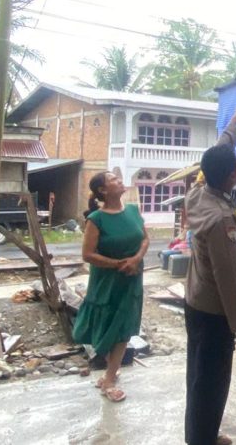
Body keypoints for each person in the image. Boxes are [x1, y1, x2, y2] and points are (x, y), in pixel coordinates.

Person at [184, 97, 236, 445]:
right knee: (212, 382)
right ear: (232, 175)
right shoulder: (220, 220)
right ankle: (202, 439)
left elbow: (218, 151)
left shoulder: (198, 192)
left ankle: (201, 435)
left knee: (199, 376)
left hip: (196, 303)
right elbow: (227, 279)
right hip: (215, 312)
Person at [73, 171, 149, 403]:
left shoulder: (133, 211)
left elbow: (145, 239)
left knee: (123, 326)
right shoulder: (96, 219)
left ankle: (109, 378)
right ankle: (110, 369)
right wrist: (118, 264)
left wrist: (135, 259)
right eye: (113, 179)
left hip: (132, 278)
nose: (119, 180)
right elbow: (87, 255)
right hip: (106, 281)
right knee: (105, 324)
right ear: (103, 190)